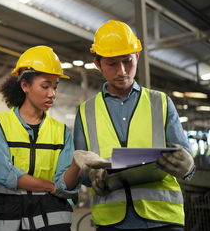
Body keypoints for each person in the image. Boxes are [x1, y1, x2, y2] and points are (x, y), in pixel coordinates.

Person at [73, 20, 195, 231]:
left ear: (137, 56)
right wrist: (91, 176)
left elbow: (185, 161)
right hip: (111, 222)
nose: (122, 71)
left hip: (163, 220)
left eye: (127, 61)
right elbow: (82, 170)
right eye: (112, 63)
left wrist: (188, 166)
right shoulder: (86, 112)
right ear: (98, 64)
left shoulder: (161, 103)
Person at [0, 45, 108, 231]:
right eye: (45, 86)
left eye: (55, 87)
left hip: (50, 224)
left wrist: (76, 165)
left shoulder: (62, 132)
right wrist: (50, 186)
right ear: (25, 86)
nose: (52, 93)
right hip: (3, 221)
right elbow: (3, 173)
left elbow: (64, 185)